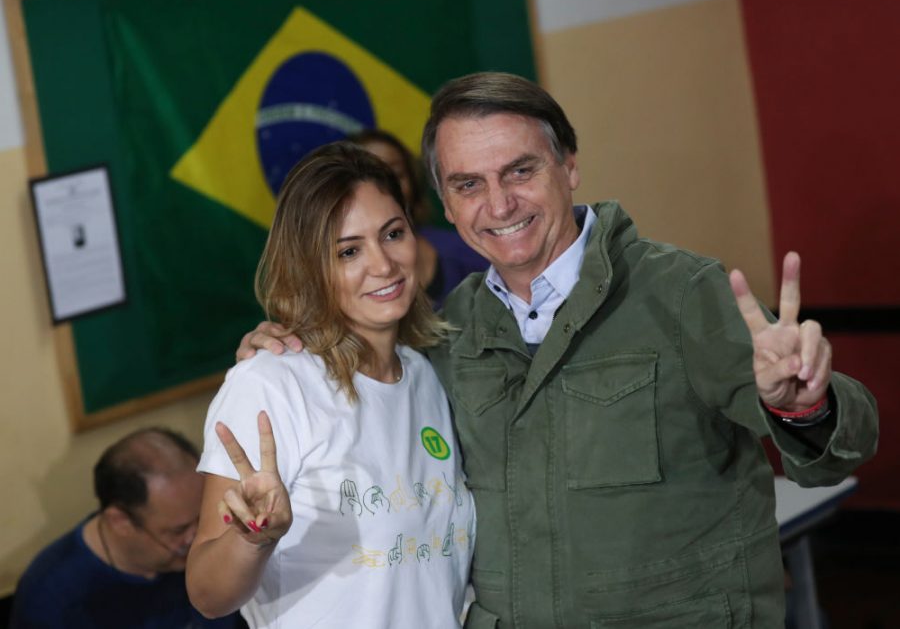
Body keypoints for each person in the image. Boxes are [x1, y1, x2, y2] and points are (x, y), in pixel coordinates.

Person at [237, 72, 878, 627]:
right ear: (446, 205)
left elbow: (839, 452)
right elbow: (369, 376)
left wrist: (804, 405)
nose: (499, 204)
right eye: (468, 184)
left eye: (520, 170)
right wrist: (287, 345)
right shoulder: (447, 333)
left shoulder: (680, 293)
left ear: (569, 167)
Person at [186, 143, 475, 628]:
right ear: (309, 267)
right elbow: (207, 596)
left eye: (393, 233)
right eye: (348, 251)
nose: (383, 265)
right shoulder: (269, 384)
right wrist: (252, 538)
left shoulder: (425, 375)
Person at [10, 428, 242, 629]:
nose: (196, 537)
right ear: (120, 521)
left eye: (202, 518)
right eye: (178, 531)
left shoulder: (208, 549)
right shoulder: (51, 596)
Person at [348, 129, 488, 308]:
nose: (382, 189)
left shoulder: (467, 253)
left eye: (395, 175)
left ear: (413, 180)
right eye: (348, 252)